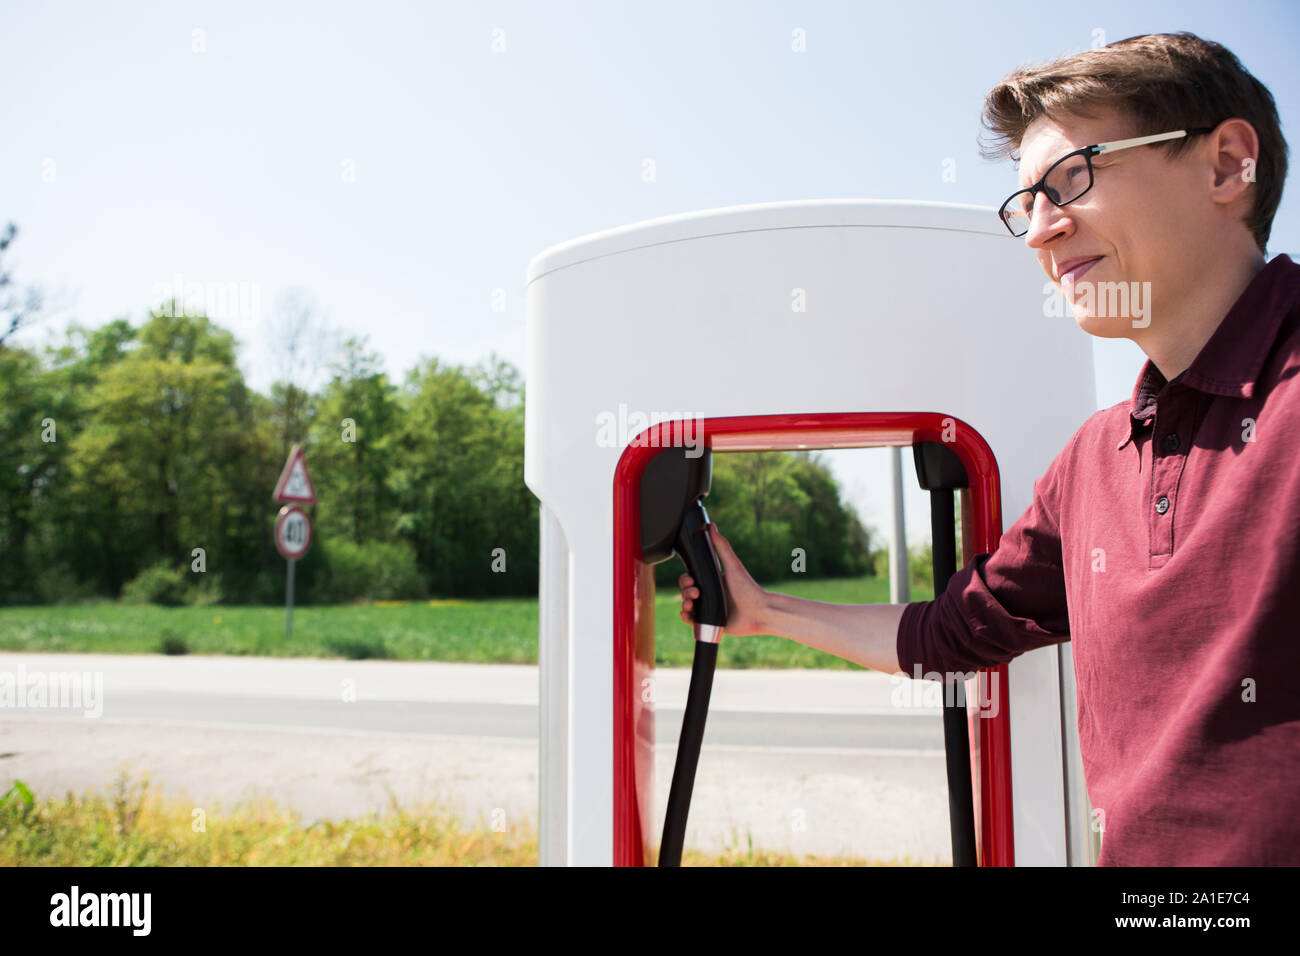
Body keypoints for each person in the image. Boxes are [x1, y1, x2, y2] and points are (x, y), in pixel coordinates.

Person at [679, 32, 1298, 866]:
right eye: (1026, 203)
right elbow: (952, 631)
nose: (1041, 231)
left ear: (1226, 165)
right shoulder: (1094, 461)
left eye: (1073, 176)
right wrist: (767, 612)